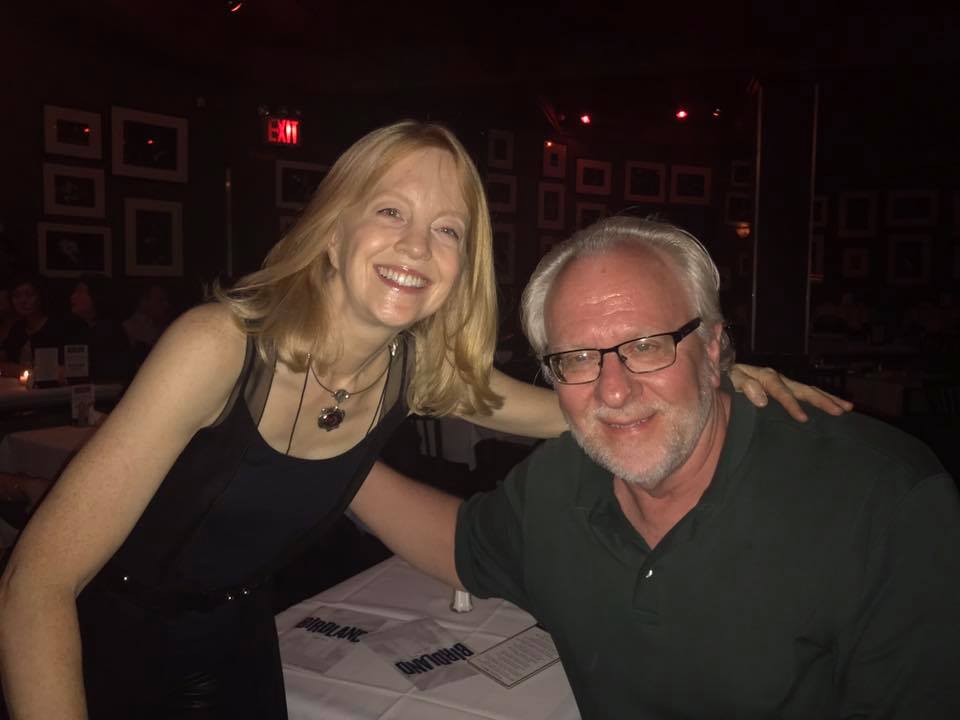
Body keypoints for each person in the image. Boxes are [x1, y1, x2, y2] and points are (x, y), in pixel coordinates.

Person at [0, 123, 847, 719]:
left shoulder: (417, 369)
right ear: (334, 230)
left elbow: (585, 408)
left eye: (447, 230)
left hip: (240, 640)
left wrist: (707, 375)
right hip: (98, 652)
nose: (416, 246)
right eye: (390, 211)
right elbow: (36, 586)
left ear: (461, 267)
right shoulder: (218, 346)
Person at [353, 216, 960, 719]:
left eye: (647, 346)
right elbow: (461, 544)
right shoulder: (560, 478)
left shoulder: (884, 503)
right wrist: (329, 459)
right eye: (579, 357)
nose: (614, 391)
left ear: (714, 347)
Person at [64, 276, 134, 382]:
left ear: (96, 296)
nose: (73, 297)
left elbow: (107, 375)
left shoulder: (111, 332)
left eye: (80, 292)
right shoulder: (81, 330)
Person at [0, 274, 66, 378]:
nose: (23, 301)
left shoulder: (58, 327)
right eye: (16, 296)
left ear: (40, 296)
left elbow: (65, 370)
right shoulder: (17, 329)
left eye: (29, 295)